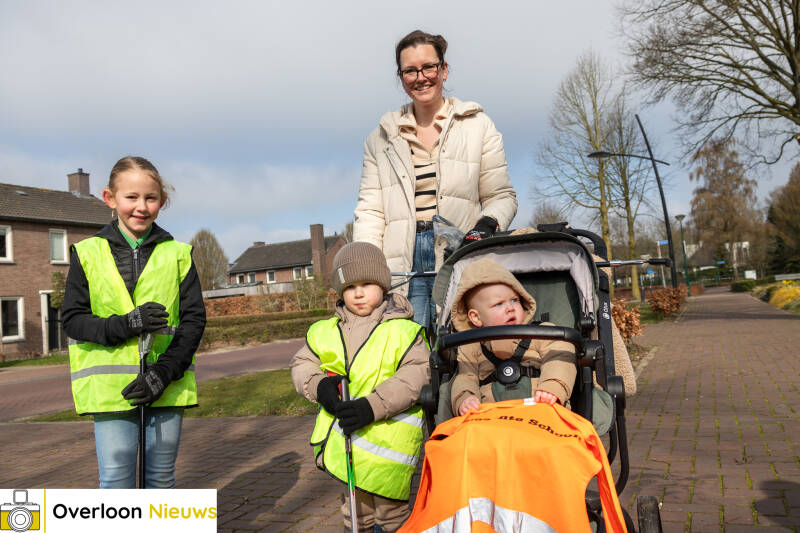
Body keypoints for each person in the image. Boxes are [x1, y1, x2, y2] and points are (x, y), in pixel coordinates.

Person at [353, 29, 518, 329]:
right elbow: (370, 213)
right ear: (401, 77)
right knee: (406, 346)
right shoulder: (379, 139)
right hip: (401, 262)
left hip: (459, 250)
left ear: (443, 69)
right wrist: (366, 272)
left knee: (461, 348)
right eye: (410, 71)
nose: (421, 77)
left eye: (429, 67)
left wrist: (484, 226)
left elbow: (502, 196)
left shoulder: (478, 126)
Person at [62, 156, 206, 488]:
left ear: (162, 202)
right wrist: (126, 324)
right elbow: (73, 320)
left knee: (161, 480)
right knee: (115, 481)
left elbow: (193, 322)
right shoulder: (87, 253)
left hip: (166, 386)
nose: (141, 207)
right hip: (111, 393)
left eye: (150, 198)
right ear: (109, 199)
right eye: (131, 197)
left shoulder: (178, 254)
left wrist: (164, 373)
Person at [291, 242, 429, 532]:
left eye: (367, 283)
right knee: (355, 513)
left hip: (389, 443)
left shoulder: (405, 331)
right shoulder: (325, 331)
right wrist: (319, 386)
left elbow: (417, 374)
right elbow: (302, 364)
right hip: (346, 443)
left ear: (383, 284)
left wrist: (373, 405)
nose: (358, 292)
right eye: (350, 285)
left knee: (392, 516)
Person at [449, 258, 576, 416]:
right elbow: (465, 378)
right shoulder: (471, 345)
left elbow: (560, 357)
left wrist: (552, 387)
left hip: (541, 410)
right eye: (499, 304)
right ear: (476, 318)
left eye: (514, 300)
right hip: (491, 420)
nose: (510, 308)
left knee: (562, 348)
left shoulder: (542, 334)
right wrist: (465, 399)